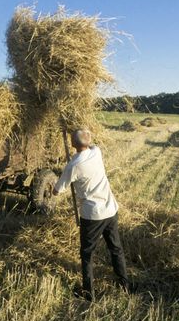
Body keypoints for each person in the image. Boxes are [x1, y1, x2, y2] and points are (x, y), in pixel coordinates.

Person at [53, 129, 128, 301]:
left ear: (72, 143)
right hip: (110, 209)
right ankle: (125, 284)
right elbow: (89, 143)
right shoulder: (97, 152)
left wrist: (56, 186)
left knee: (87, 254)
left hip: (92, 215)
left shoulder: (73, 166)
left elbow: (57, 190)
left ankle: (89, 293)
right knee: (116, 248)